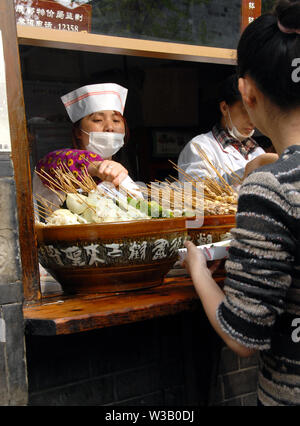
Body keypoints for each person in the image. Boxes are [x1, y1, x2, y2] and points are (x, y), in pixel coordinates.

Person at [181, 0, 300, 406]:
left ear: (247, 91)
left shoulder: (271, 186)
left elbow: (243, 335)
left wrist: (197, 267)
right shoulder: (208, 151)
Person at [33, 82, 140, 206]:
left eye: (116, 120)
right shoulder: (58, 164)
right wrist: (96, 165)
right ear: (78, 131)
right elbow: (50, 162)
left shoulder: (123, 178)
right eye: (98, 120)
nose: (110, 127)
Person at [177, 74, 266, 185]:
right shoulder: (200, 147)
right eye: (246, 112)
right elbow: (197, 190)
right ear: (224, 108)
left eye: (256, 113)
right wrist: (247, 171)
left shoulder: (258, 152)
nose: (252, 121)